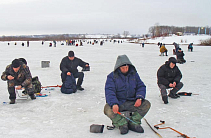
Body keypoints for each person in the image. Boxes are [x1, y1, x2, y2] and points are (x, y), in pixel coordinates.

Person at [104, 55, 151, 135]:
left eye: (126, 67)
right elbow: (109, 91)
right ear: (118, 67)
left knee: (146, 104)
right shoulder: (112, 77)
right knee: (107, 109)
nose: (125, 69)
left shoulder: (134, 74)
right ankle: (122, 124)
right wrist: (114, 103)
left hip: (132, 102)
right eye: (123, 68)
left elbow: (141, 86)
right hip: (119, 103)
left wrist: (139, 98)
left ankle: (134, 122)